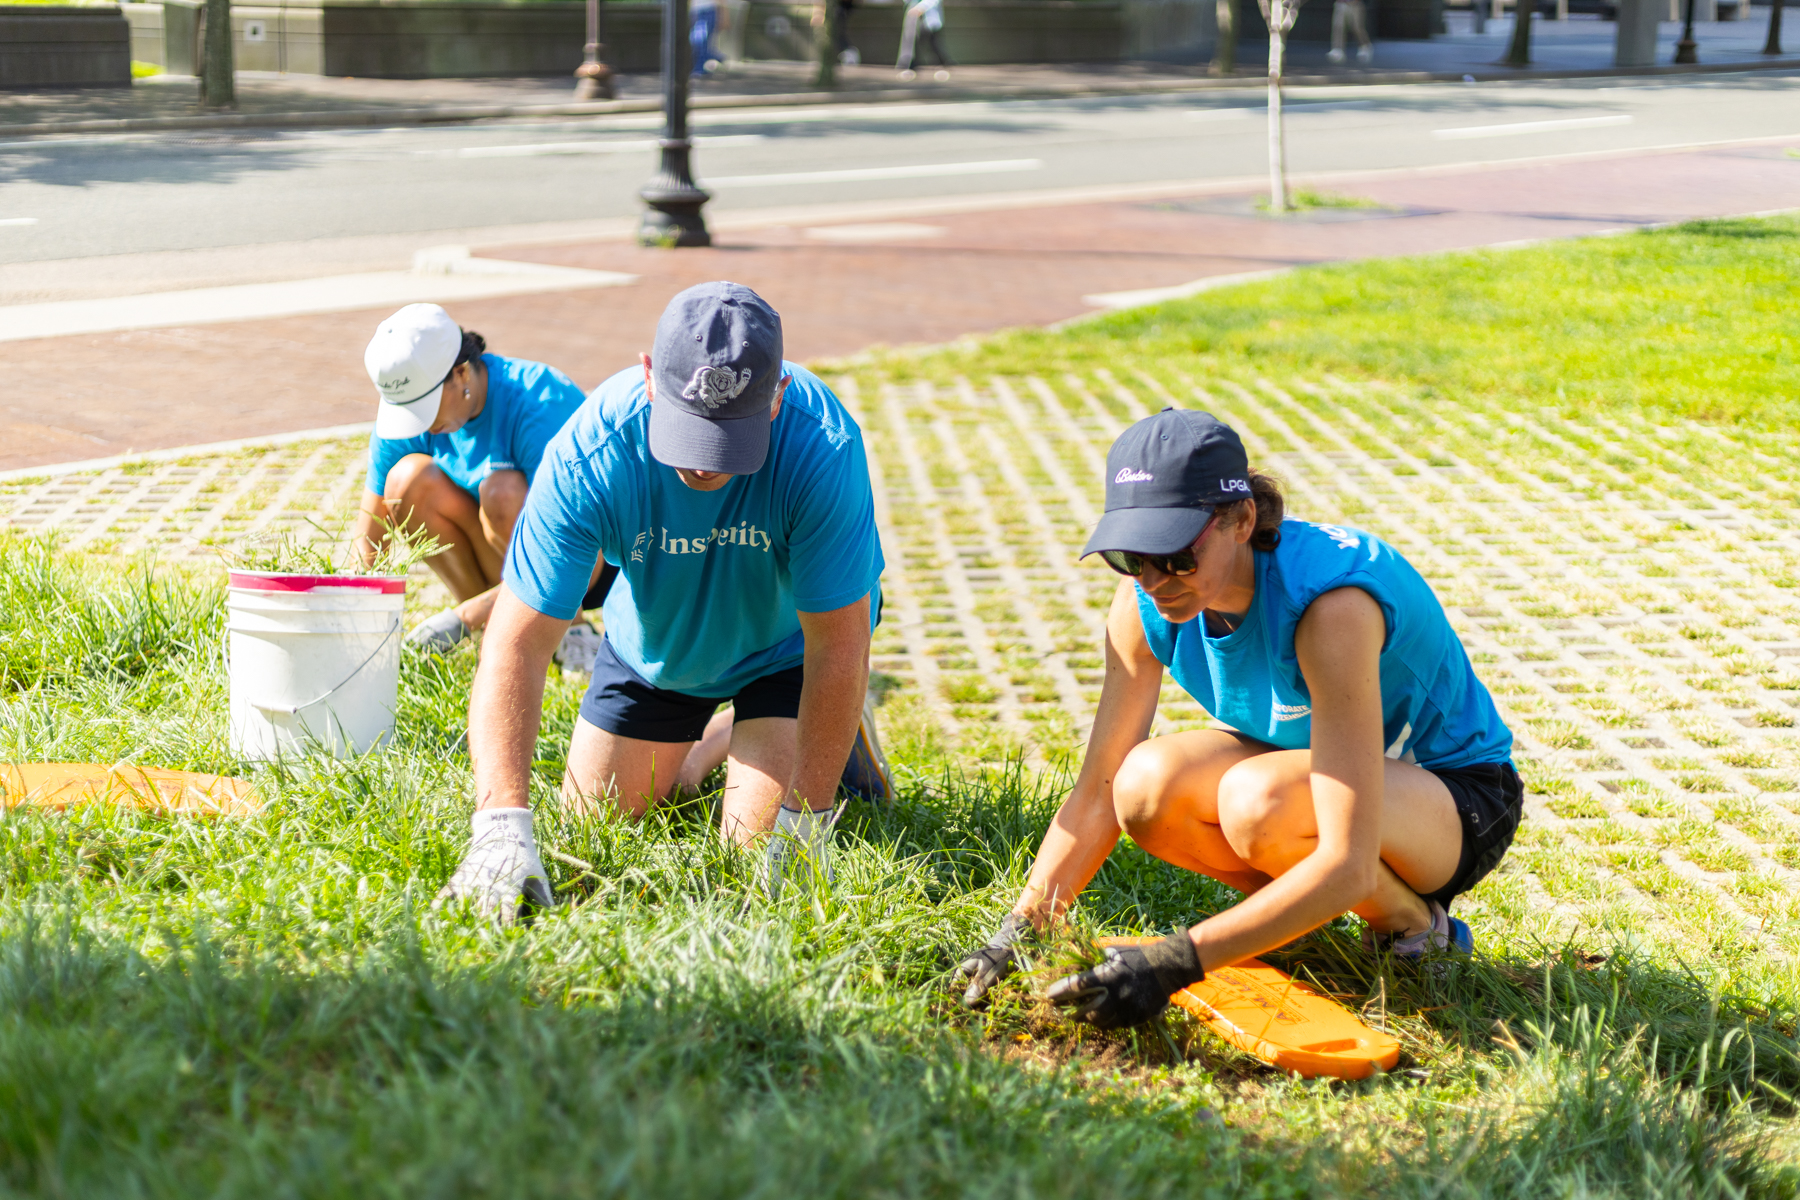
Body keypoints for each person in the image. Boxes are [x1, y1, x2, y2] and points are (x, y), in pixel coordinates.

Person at [956, 409, 1520, 1029]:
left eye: (1174, 554)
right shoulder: (1142, 603)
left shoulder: (1331, 608)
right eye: (1131, 556)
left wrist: (1174, 961)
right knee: (1142, 785)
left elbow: (1348, 861)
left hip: (1457, 801)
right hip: (1306, 781)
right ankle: (1283, 914)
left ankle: (1413, 928)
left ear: (1242, 521)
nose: (1153, 580)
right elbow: (1099, 790)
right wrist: (1016, 932)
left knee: (1260, 801)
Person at [435, 282, 889, 923]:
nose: (705, 467)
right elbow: (519, 638)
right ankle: (717, 740)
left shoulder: (823, 446)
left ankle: (828, 734)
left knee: (752, 855)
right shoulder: (591, 450)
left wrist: (806, 818)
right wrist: (500, 825)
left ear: (778, 395)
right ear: (650, 376)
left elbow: (840, 643)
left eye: (729, 441)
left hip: (786, 650)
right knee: (597, 823)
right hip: (661, 646)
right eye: (688, 433)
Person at [352, 303, 610, 669]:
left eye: (424, 408)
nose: (419, 426)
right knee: (405, 481)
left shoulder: (538, 399)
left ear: (461, 373)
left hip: (582, 565)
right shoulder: (410, 410)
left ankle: (570, 627)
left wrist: (461, 618)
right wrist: (348, 631)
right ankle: (501, 629)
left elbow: (580, 549)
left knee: (500, 491)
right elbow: (368, 541)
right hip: (507, 568)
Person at [895, 0, 950, 76]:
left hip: (928, 15)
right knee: (910, 40)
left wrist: (921, 7)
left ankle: (941, 64)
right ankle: (908, 65)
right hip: (913, 13)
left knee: (932, 42)